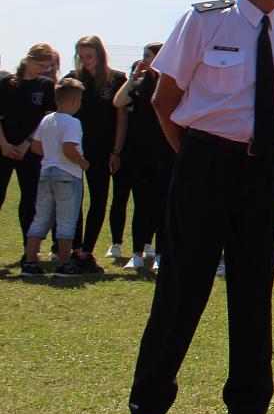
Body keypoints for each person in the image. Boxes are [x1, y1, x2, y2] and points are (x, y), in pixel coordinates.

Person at [126, 0, 274, 414]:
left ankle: (249, 408)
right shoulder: (204, 21)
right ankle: (147, 407)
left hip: (263, 169)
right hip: (205, 162)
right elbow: (164, 101)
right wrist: (193, 158)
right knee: (182, 286)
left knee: (254, 289)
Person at [67, 35, 128, 272]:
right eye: (81, 56)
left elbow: (121, 119)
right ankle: (75, 251)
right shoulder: (72, 80)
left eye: (89, 56)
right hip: (74, 150)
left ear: (100, 55)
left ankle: (88, 252)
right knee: (74, 201)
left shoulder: (117, 79)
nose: (85, 60)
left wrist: (117, 150)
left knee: (99, 200)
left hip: (103, 151)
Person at [111, 44, 173, 272]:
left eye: (148, 56)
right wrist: (132, 77)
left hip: (165, 153)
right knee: (141, 205)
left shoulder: (172, 83)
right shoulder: (139, 84)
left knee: (162, 205)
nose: (144, 59)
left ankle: (160, 254)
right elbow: (118, 102)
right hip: (140, 153)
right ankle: (136, 254)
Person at [21, 78, 90, 275]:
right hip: (67, 174)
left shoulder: (47, 119)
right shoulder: (73, 122)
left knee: (41, 218)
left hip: (46, 172)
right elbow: (69, 148)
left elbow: (36, 146)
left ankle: (30, 262)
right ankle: (65, 264)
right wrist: (82, 162)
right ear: (75, 101)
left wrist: (52, 154)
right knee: (66, 220)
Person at [2, 43, 57, 256]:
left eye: (46, 67)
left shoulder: (45, 84)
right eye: (40, 65)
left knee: (29, 199)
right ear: (29, 59)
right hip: (4, 148)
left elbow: (46, 118)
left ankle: (29, 249)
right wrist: (4, 144)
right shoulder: (6, 83)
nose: (42, 70)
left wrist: (27, 143)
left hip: (30, 151)